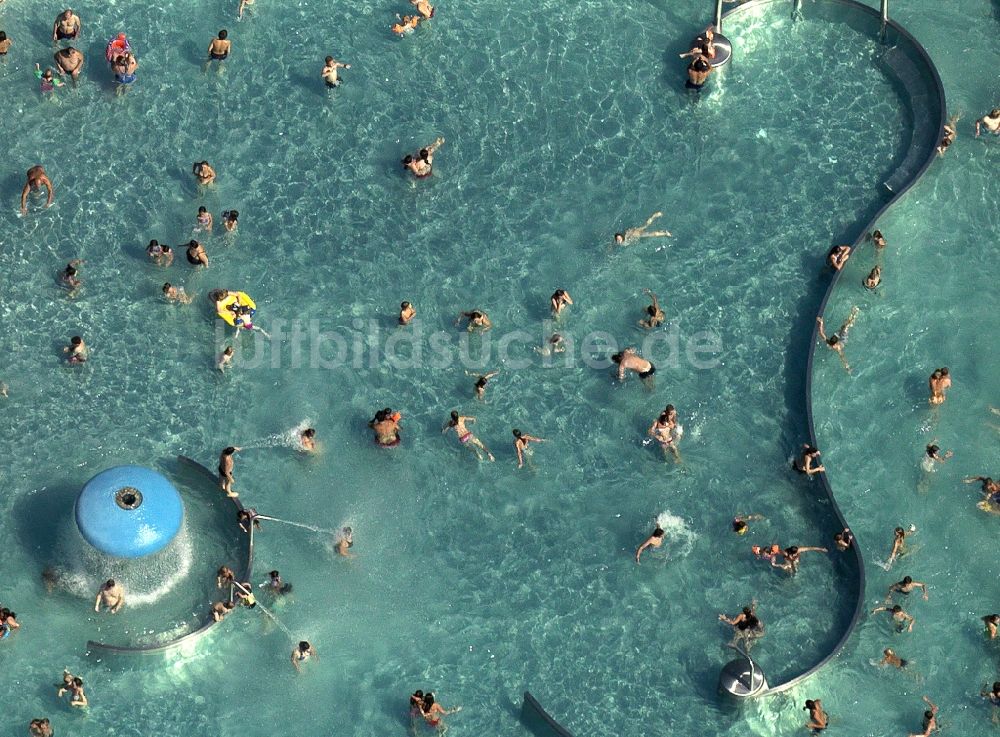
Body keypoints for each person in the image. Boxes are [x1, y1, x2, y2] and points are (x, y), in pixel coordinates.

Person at [816, 306, 860, 372]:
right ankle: (854, 314)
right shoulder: (834, 345)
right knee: (844, 327)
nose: (832, 346)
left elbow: (821, 333)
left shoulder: (834, 345)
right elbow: (842, 358)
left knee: (844, 327)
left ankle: (854, 314)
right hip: (843, 340)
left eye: (833, 345)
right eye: (832, 345)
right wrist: (821, 323)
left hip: (841, 339)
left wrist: (821, 323)